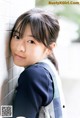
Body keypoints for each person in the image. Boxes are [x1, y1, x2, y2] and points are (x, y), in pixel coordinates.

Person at [10, 8, 65, 118]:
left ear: (50, 48)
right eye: (17, 36)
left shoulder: (34, 76)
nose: (19, 48)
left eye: (31, 42)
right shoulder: (49, 67)